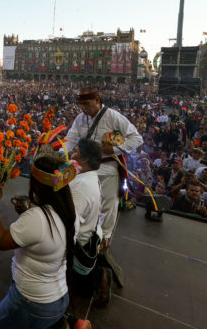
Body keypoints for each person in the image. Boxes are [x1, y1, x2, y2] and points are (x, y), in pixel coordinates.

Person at [0, 150, 83, 329]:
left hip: (32, 303)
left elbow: (0, 241)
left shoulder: (36, 219)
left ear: (37, 186)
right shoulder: (72, 213)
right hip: (60, 298)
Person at [64, 86, 143, 287]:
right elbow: (70, 138)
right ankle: (82, 237)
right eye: (80, 104)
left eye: (87, 104)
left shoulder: (114, 117)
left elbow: (136, 138)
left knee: (108, 205)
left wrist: (116, 148)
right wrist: (57, 151)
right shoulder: (80, 119)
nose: (83, 108)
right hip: (85, 169)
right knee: (84, 204)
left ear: (97, 101)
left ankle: (105, 240)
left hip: (107, 169)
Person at [68, 138, 109, 308]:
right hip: (90, 231)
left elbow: (69, 223)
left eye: (76, 151)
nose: (72, 153)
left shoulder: (81, 186)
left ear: (84, 159)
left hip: (78, 242)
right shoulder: (87, 175)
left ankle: (99, 278)